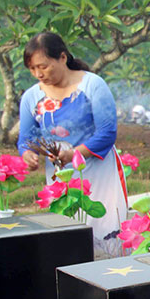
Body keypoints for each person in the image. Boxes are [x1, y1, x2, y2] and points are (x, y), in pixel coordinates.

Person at [18, 32, 129, 257]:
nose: (38, 74)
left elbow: (107, 133)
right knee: (68, 243)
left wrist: (74, 154)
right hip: (60, 178)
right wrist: (27, 153)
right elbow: (25, 138)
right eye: (32, 69)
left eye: (44, 66)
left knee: (107, 240)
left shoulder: (92, 86)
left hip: (100, 175)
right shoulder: (31, 97)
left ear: (62, 58)